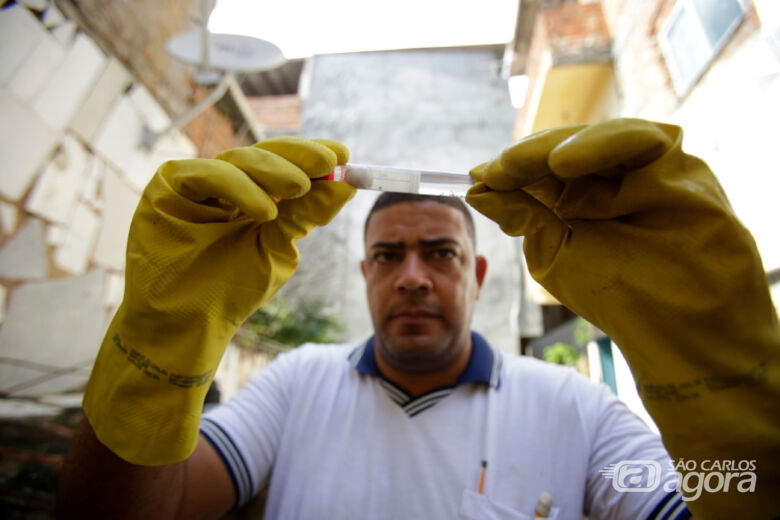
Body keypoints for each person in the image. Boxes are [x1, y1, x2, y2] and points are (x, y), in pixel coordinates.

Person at [57, 120, 780, 519]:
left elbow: (714, 500)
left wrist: (741, 414)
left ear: (479, 272)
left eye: (440, 253)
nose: (412, 277)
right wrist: (149, 353)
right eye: (388, 256)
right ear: (365, 272)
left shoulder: (581, 412)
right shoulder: (297, 384)